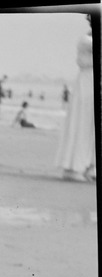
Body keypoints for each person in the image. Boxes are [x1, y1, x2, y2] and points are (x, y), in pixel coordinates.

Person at [55, 20, 96, 182]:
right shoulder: (87, 41)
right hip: (88, 82)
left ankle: (89, 165)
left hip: (90, 81)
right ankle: (75, 166)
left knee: (90, 125)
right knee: (83, 123)